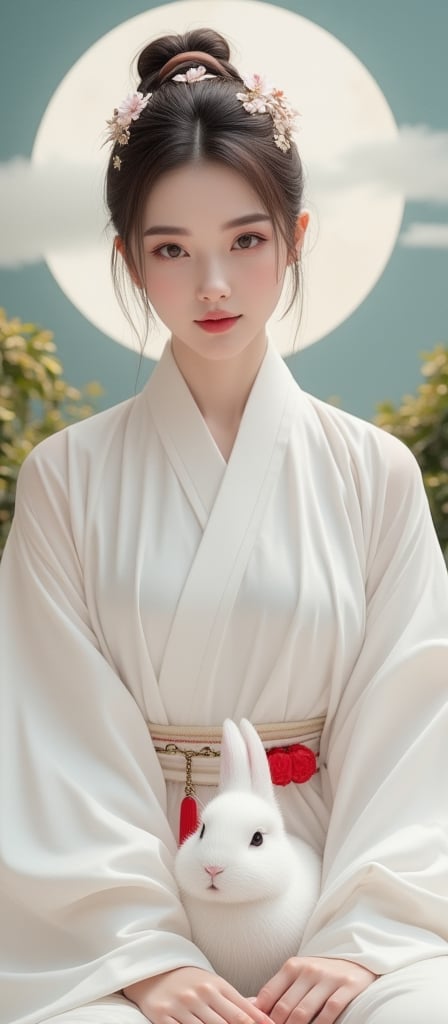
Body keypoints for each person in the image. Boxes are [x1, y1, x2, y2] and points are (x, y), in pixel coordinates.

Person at [1, 25, 447, 1024]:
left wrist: (363, 934)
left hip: (338, 872)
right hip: (117, 896)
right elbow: (51, 740)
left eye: (245, 241)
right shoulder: (65, 480)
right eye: (172, 249)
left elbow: (416, 726)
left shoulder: (372, 473)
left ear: (294, 235)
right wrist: (144, 958)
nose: (212, 285)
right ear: (127, 257)